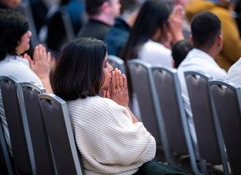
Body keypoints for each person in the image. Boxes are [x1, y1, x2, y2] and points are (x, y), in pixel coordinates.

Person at [50, 37, 191, 175]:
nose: (111, 68)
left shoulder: (63, 103)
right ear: (88, 72)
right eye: (105, 65)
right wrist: (124, 106)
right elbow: (148, 149)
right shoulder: (98, 107)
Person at [0, 8, 53, 154]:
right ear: (12, 38)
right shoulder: (14, 70)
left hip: (17, 148)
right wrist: (43, 76)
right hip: (36, 153)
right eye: (25, 31)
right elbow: (52, 113)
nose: (30, 34)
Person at [177, 11, 227, 154]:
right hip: (216, 149)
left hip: (187, 141)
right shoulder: (217, 75)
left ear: (191, 39)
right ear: (219, 40)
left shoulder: (181, 67)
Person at [185, 0, 241, 71]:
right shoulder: (221, 15)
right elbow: (236, 51)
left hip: (200, 67)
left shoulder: (194, 8)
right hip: (224, 72)